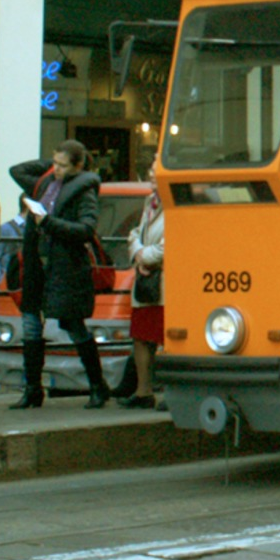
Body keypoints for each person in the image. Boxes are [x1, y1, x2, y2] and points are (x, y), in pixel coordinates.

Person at [9, 140, 109, 409]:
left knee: (73, 325)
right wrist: (51, 165)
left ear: (78, 166)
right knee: (30, 323)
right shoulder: (46, 182)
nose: (56, 169)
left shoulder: (84, 190)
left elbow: (86, 229)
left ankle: (98, 385)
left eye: (63, 165)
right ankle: (32, 388)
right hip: (37, 263)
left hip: (65, 266)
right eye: (54, 163)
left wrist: (48, 223)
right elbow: (16, 170)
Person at [121, 165, 164, 409]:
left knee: (165, 338)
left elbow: (171, 243)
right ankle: (143, 390)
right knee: (140, 336)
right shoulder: (151, 202)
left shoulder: (175, 202)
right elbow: (135, 233)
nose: (150, 175)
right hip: (147, 279)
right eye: (149, 170)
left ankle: (168, 391)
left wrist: (143, 256)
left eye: (155, 171)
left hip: (166, 282)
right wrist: (139, 255)